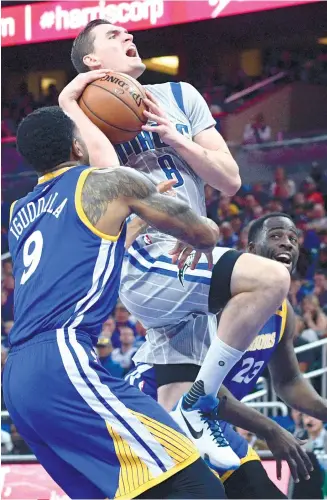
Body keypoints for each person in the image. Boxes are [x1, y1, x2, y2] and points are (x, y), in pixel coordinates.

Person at [71, 20, 290, 470]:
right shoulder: (84, 116)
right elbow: (111, 179)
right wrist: (68, 104)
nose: (127, 36)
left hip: (193, 252)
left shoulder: (181, 96)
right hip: (143, 255)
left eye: (127, 32)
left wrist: (174, 136)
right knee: (271, 278)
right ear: (92, 61)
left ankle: (186, 420)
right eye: (112, 36)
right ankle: (201, 403)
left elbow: (229, 181)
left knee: (188, 457)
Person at [2, 71, 227, 500]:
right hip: (64, 358)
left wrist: (137, 218)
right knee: (195, 484)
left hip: (18, 378)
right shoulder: (108, 181)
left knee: (128, 493)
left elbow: (88, 248)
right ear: (77, 145)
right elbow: (203, 234)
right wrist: (189, 218)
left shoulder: (19, 212)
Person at [126, 213, 327, 498]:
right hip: (157, 405)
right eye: (276, 236)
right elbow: (198, 382)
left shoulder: (284, 312)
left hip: (209, 420)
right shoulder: (219, 300)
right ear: (252, 251)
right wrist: (271, 429)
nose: (287, 244)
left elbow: (289, 381)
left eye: (293, 239)